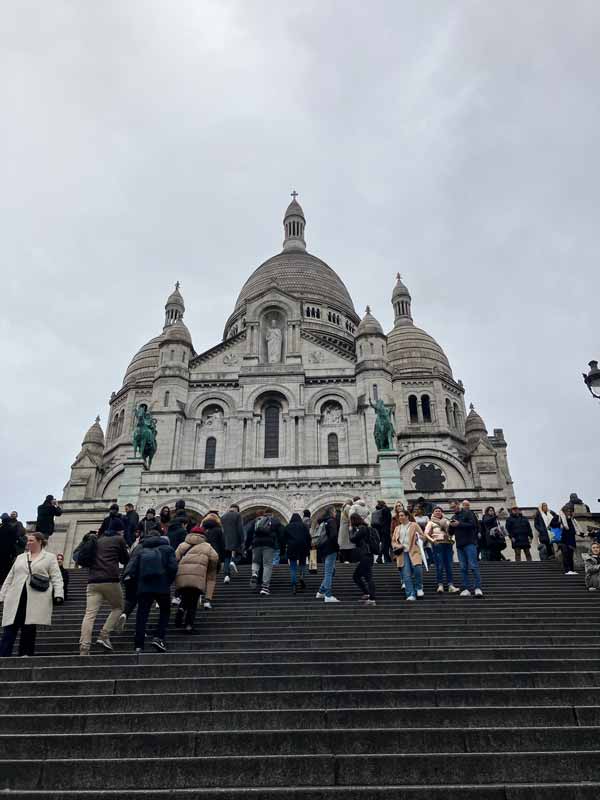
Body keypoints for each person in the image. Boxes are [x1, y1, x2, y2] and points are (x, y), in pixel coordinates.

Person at [0, 532, 64, 657]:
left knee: (29, 626)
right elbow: (10, 577)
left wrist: (59, 594)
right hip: (16, 595)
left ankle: (25, 653)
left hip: (36, 596)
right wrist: (2, 595)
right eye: (27, 540)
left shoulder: (49, 557)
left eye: (31, 540)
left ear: (40, 541)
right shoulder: (20, 557)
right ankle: (3, 654)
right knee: (10, 626)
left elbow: (56, 577)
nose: (28, 543)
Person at [78, 517, 129, 655]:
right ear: (120, 530)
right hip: (110, 579)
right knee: (118, 607)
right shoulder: (118, 540)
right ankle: (104, 635)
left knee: (89, 615)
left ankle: (84, 648)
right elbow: (125, 560)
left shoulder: (97, 540)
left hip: (93, 581)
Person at [124, 528, 178, 652]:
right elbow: (173, 568)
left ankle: (138, 645)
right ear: (160, 537)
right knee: (165, 611)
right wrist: (168, 581)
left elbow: (134, 569)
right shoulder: (168, 549)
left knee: (142, 614)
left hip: (144, 587)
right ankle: (158, 637)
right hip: (162, 587)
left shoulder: (142, 549)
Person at [174, 524, 219, 631]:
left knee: (185, 596)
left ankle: (181, 608)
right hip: (198, 578)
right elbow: (215, 558)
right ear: (203, 535)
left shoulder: (182, 545)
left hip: (182, 576)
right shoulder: (207, 546)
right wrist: (209, 566)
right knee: (193, 602)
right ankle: (189, 625)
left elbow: (175, 558)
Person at [450, 500, 483, 597]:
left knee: (473, 566)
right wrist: (450, 526)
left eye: (454, 506)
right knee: (463, 568)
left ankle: (478, 588)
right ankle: (466, 588)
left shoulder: (468, 513)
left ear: (458, 505)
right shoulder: (453, 517)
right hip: (459, 545)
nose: (453, 509)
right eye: (451, 507)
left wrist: (459, 524)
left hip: (470, 543)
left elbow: (473, 525)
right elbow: (451, 532)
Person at [424, 507, 458, 593]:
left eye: (439, 511)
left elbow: (452, 531)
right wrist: (432, 540)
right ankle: (440, 585)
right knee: (439, 565)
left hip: (448, 543)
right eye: (436, 511)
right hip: (438, 544)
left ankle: (450, 585)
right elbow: (426, 533)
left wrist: (452, 539)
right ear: (433, 513)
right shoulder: (431, 522)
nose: (438, 512)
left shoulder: (447, 520)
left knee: (449, 565)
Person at [391, 509, 423, 601]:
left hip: (414, 550)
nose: (400, 517)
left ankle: (419, 588)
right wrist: (398, 545)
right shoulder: (397, 528)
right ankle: (410, 594)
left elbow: (422, 536)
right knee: (406, 574)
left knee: (418, 569)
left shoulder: (414, 525)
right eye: (399, 516)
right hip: (402, 553)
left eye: (402, 515)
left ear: (407, 516)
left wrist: (419, 537)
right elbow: (393, 541)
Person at [250, 510, 284, 596]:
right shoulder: (275, 521)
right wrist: (282, 547)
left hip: (256, 544)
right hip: (269, 544)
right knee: (267, 565)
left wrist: (247, 546)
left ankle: (254, 573)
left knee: (255, 561)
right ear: (272, 514)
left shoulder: (256, 520)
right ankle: (265, 587)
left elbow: (249, 533)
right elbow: (281, 534)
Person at [349, 504, 376, 606]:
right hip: (367, 556)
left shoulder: (362, 528)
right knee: (358, 576)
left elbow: (352, 539)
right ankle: (367, 594)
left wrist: (351, 530)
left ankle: (372, 598)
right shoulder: (364, 527)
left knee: (366, 577)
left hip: (366, 556)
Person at [199, 512, 224, 608]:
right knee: (211, 579)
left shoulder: (202, 530)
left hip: (202, 555)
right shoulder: (218, 530)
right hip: (214, 556)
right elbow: (222, 545)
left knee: (202, 576)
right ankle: (207, 600)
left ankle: (200, 594)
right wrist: (221, 559)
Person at [315, 508, 340, 602]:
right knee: (329, 572)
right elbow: (333, 535)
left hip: (322, 549)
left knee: (331, 571)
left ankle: (321, 592)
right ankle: (328, 595)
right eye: (335, 512)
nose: (335, 513)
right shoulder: (331, 521)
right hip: (330, 549)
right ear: (332, 512)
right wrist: (337, 547)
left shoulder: (323, 522)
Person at [283, 513, 311, 594]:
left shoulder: (288, 526)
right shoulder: (303, 526)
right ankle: (302, 576)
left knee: (293, 566)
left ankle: (294, 585)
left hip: (292, 547)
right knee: (302, 563)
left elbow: (284, 538)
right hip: (303, 546)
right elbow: (308, 537)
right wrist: (308, 547)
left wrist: (285, 546)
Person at [220, 503, 244, 584]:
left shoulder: (223, 516)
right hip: (235, 539)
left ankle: (227, 575)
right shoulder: (237, 515)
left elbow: (222, 530)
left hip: (225, 541)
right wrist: (242, 539)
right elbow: (240, 528)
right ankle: (233, 561)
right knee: (239, 554)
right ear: (237, 510)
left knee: (227, 558)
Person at [559, 505, 583, 575]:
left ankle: (571, 570)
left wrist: (584, 534)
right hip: (564, 541)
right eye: (567, 511)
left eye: (570, 511)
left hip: (571, 541)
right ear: (564, 512)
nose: (569, 513)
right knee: (566, 556)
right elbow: (553, 525)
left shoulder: (572, 520)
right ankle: (567, 570)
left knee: (570, 556)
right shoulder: (560, 519)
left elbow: (575, 531)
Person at [0, 513, 19, 586]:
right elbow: (14, 540)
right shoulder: (12, 528)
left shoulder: (1, 528)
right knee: (7, 568)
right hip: (8, 552)